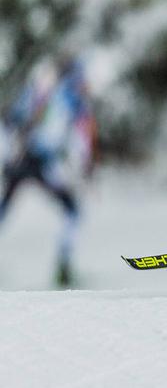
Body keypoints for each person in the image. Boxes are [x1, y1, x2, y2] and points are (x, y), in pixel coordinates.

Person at [0, 55, 95, 288]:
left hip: (20, 161)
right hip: (41, 162)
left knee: (4, 209)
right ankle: (64, 267)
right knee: (72, 210)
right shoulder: (71, 98)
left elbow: (11, 120)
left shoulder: (38, 92)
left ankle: (64, 267)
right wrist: (84, 165)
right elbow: (80, 137)